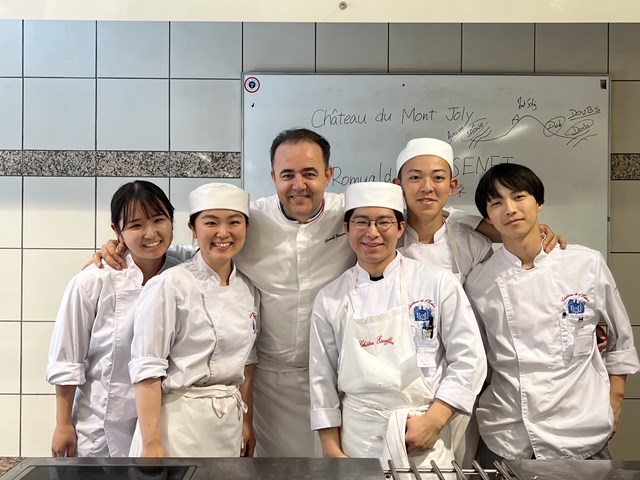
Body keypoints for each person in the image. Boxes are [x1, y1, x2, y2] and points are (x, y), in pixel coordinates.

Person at [465, 163, 640, 465]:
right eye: (496, 203)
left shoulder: (585, 263)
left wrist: (615, 400)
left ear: (539, 202)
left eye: (519, 197)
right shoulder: (479, 281)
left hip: (581, 429)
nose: (510, 209)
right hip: (507, 432)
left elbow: (621, 339)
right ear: (488, 217)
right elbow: (478, 359)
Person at [309, 181, 486, 469]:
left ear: (401, 228)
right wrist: (331, 449)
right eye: (361, 222)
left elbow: (469, 358)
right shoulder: (330, 297)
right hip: (358, 439)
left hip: (423, 436)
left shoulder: (436, 282)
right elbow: (321, 378)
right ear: (347, 229)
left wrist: (434, 421)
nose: (372, 233)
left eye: (384, 222)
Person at [46, 180, 179, 457]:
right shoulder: (93, 281)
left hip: (165, 424)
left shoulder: (182, 276)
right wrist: (63, 424)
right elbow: (67, 359)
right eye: (136, 225)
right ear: (117, 231)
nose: (151, 233)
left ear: (172, 220)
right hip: (98, 426)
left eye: (159, 220)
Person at [128, 183, 259, 458]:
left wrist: (247, 423)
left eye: (234, 222)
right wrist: (151, 443)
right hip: (177, 425)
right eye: (211, 222)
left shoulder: (249, 289)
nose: (223, 233)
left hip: (228, 424)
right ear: (193, 228)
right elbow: (147, 367)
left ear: (246, 227)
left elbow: (246, 363)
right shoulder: (169, 285)